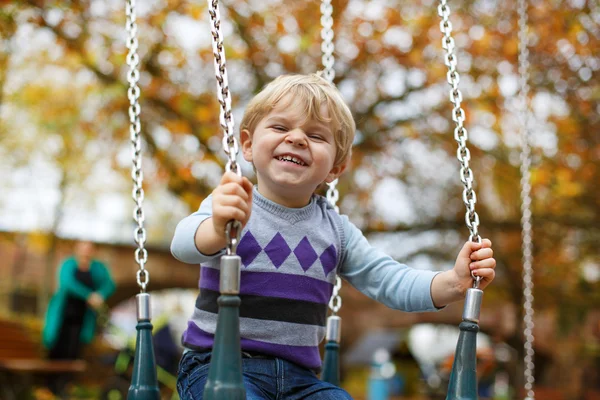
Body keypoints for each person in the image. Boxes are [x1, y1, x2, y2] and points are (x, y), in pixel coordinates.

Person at [171, 73, 496, 399]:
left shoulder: (336, 231)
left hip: (299, 381)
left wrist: (453, 282)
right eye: (281, 128)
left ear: (335, 169)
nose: (297, 138)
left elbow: (388, 280)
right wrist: (215, 229)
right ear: (247, 145)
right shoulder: (232, 204)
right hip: (216, 366)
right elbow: (182, 244)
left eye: (316, 135)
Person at [42, 240, 115, 393]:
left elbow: (110, 284)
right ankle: (49, 386)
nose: (86, 252)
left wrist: (100, 295)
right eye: (83, 248)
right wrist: (88, 295)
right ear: (77, 250)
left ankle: (64, 387)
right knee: (57, 350)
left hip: (82, 319)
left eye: (89, 249)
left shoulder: (98, 268)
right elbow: (67, 283)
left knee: (74, 352)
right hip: (63, 317)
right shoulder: (68, 264)